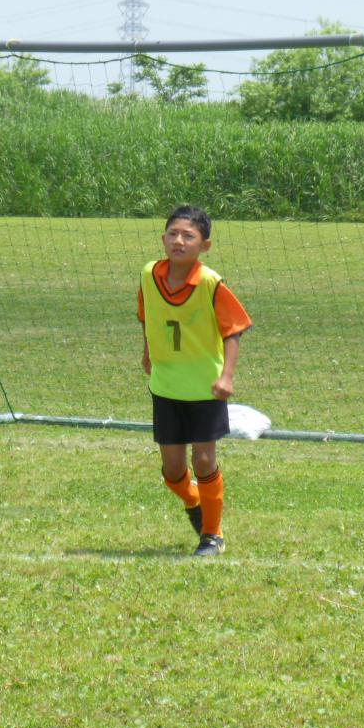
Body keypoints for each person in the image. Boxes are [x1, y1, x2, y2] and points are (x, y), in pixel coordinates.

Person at [137, 205, 252, 557]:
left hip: (205, 387)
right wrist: (147, 351)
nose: (179, 241)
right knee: (173, 472)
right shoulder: (148, 274)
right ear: (163, 239)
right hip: (167, 386)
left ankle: (212, 535)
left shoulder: (210, 283)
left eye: (188, 236)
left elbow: (233, 330)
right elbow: (148, 315)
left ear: (205, 245)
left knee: (203, 461)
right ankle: (195, 504)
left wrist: (227, 376)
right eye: (173, 234)